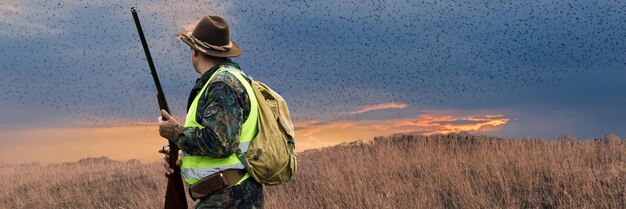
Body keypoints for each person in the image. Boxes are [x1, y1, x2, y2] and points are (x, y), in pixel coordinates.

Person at [157, 15, 263, 209]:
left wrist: (175, 132)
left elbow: (220, 143)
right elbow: (228, 140)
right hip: (232, 195)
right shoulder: (235, 79)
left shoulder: (221, 85)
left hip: (227, 198)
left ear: (195, 51)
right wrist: (180, 153)